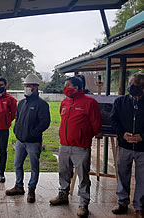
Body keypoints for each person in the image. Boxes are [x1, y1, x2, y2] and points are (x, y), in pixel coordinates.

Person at [49, 76, 102, 217]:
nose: (65, 88)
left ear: (77, 88)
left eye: (67, 85)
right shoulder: (65, 102)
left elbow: (96, 125)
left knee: (83, 176)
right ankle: (63, 194)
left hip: (81, 147)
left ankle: (83, 203)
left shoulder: (90, 102)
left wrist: (83, 136)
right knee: (64, 172)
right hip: (64, 145)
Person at [5, 74, 50, 203]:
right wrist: (16, 130)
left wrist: (32, 133)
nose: (26, 88)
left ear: (35, 87)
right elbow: (17, 117)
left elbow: (44, 123)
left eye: (28, 86)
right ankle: (19, 186)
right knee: (17, 164)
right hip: (20, 141)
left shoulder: (42, 104)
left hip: (33, 143)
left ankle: (31, 190)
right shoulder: (22, 103)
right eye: (25, 85)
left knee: (34, 167)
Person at [110, 72, 144, 217]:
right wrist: (122, 134)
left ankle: (140, 206)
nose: (132, 87)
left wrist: (142, 137)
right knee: (123, 175)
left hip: (143, 147)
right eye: (130, 84)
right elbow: (113, 121)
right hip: (124, 146)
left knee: (142, 178)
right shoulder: (120, 102)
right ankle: (122, 203)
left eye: (135, 85)